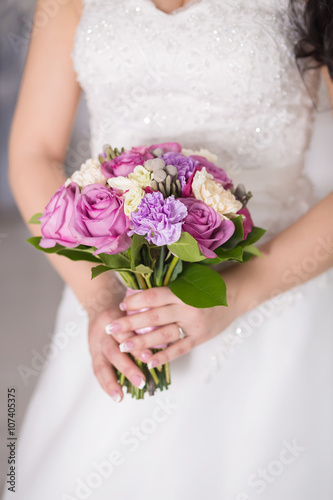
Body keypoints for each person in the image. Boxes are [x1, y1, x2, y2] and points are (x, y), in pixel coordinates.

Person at [3, 0, 333, 499]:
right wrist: (101, 299)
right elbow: (35, 153)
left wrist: (234, 296)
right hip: (118, 295)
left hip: (273, 292)